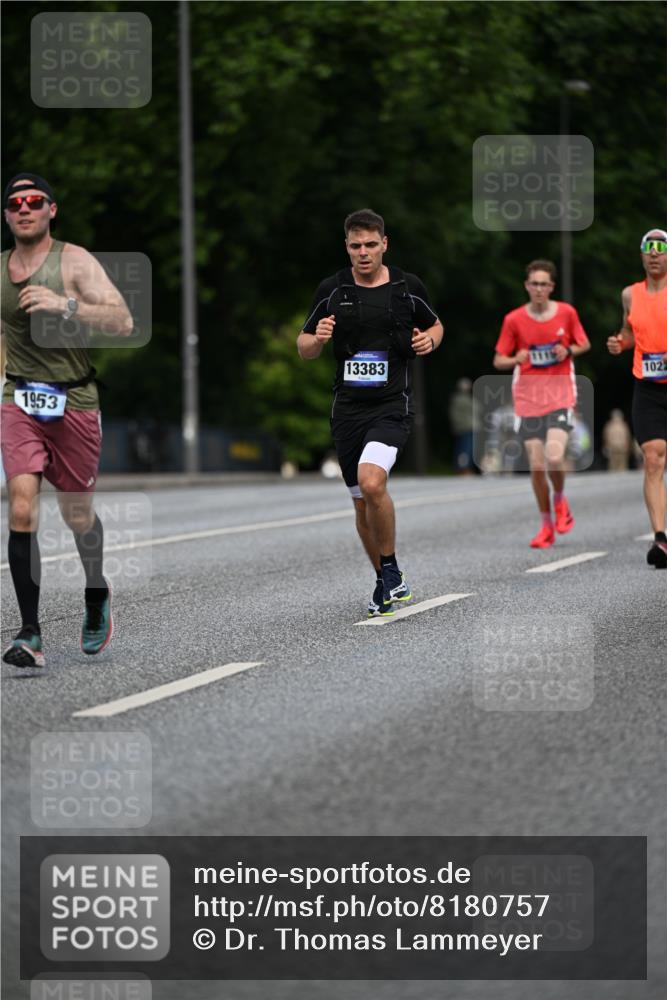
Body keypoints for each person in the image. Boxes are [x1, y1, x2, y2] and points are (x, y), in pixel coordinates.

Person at [1, 173, 133, 667]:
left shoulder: (73, 261)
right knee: (20, 507)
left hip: (73, 401)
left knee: (76, 514)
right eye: (15, 203)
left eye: (34, 201)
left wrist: (65, 304)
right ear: (7, 214)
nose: (24, 208)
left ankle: (96, 593)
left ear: (51, 210)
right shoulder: (0, 271)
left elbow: (122, 321)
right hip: (19, 400)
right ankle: (29, 634)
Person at [297, 208, 443, 616]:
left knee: (372, 481)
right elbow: (304, 347)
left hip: (391, 404)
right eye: (356, 245)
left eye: (371, 245)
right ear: (347, 247)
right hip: (347, 410)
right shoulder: (332, 289)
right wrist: (318, 339)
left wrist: (430, 340)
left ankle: (391, 568)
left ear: (385, 244)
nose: (363, 253)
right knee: (361, 502)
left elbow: (436, 325)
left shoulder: (406, 286)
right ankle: (384, 580)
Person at [493, 259, 590, 548]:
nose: (538, 289)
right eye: (533, 283)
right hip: (528, 399)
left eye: (543, 284)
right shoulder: (514, 320)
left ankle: (560, 500)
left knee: (554, 457)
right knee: (536, 466)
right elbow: (498, 359)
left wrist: (568, 349)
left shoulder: (566, 313)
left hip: (560, 395)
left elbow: (584, 343)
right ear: (526, 286)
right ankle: (546, 524)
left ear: (551, 287)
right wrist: (516, 359)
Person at [607, 228, 667, 568]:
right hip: (647, 385)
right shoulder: (630, 294)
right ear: (642, 255)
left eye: (661, 248)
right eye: (649, 248)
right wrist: (620, 342)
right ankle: (660, 539)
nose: (655, 254)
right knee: (653, 457)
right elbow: (629, 332)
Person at [448, 377, 479, 474]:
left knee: (463, 449)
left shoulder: (459, 399)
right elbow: (478, 408)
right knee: (465, 450)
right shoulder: (463, 399)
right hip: (466, 427)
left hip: (464, 427)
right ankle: (464, 469)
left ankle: (463, 468)